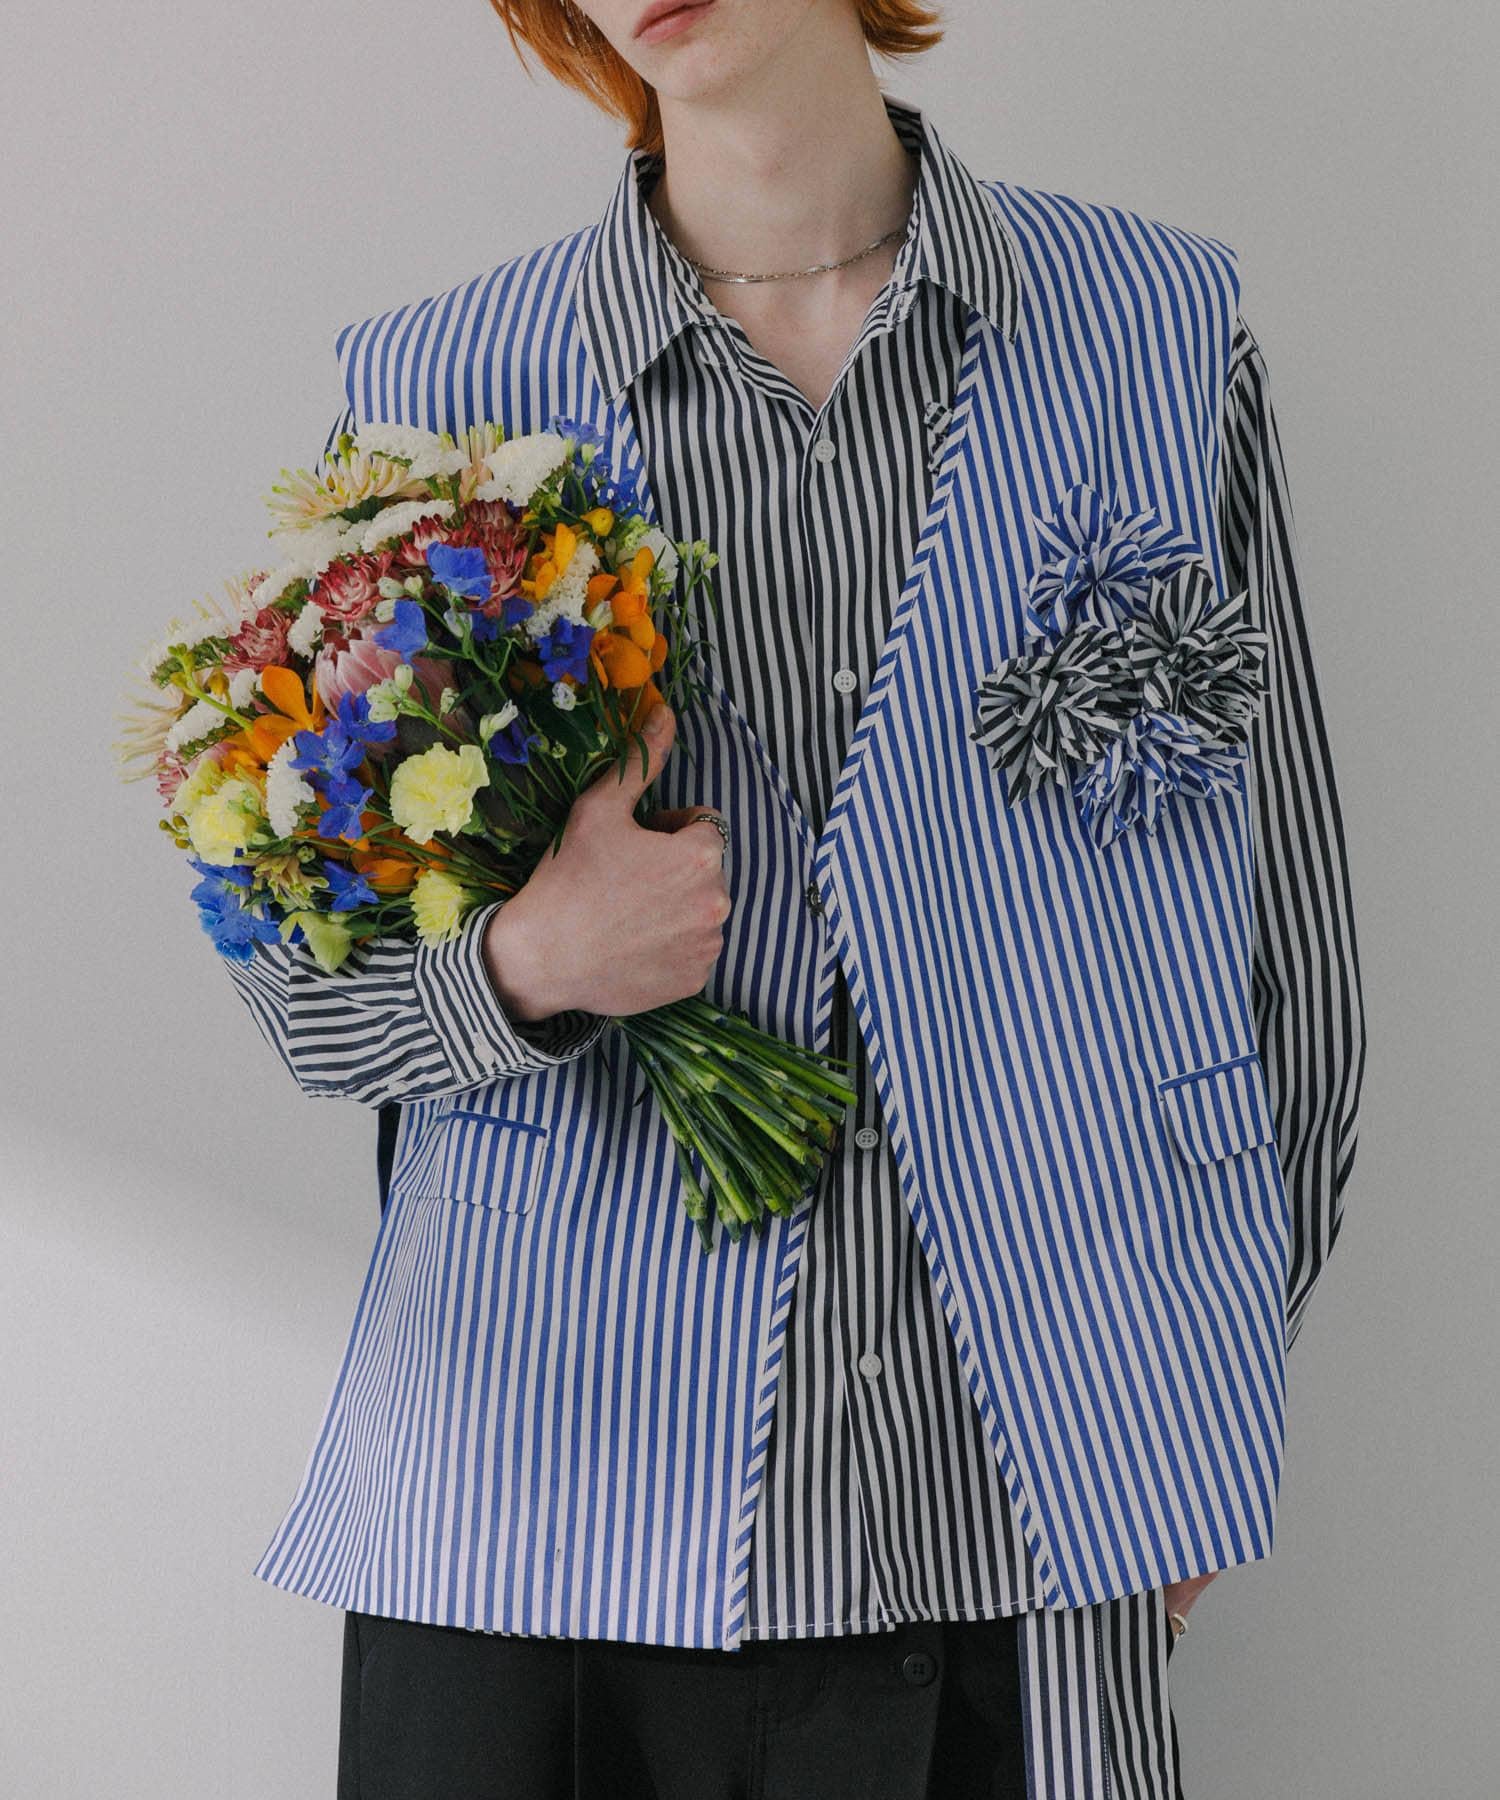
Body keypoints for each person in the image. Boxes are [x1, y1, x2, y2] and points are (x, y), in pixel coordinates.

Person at [226, 2, 1367, 1795]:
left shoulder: (1154, 330)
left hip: (1027, 1504)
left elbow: (1285, 938)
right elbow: (306, 989)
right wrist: (530, 958)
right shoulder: (437, 386)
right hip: (538, 1513)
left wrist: (1185, 1402)